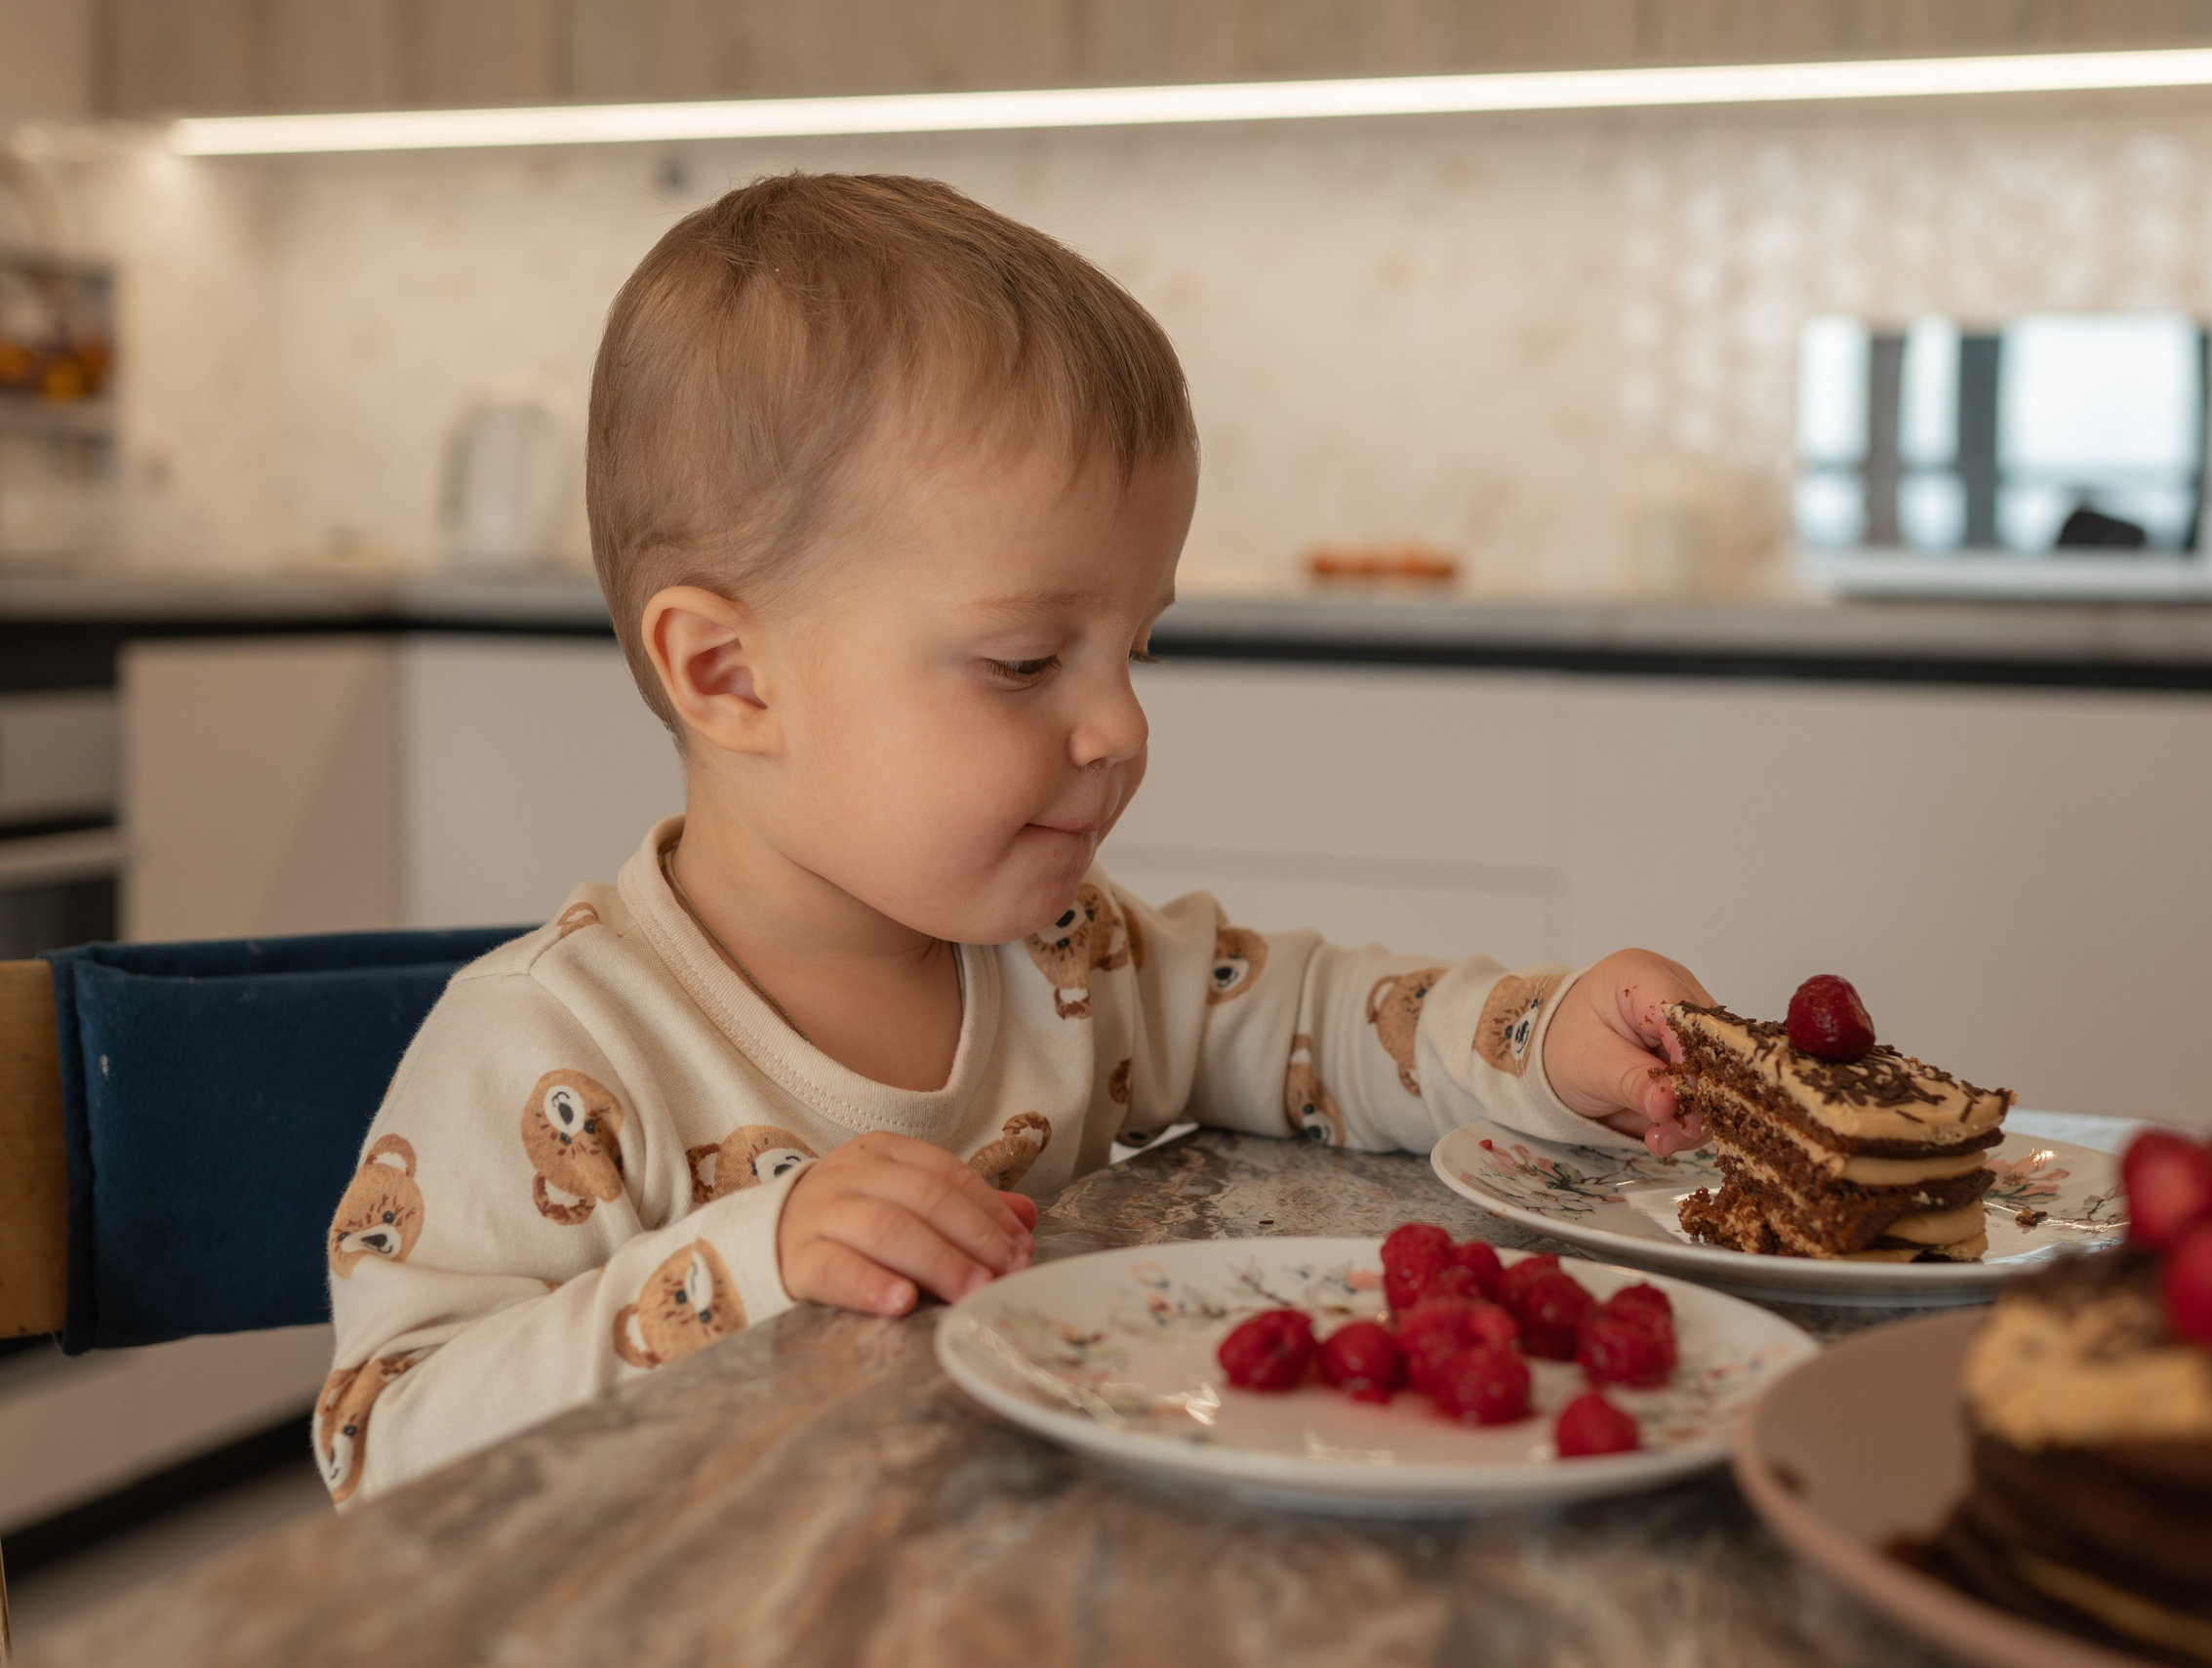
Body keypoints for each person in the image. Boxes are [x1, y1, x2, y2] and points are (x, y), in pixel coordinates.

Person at [315, 172, 1714, 1506]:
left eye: (1137, 646)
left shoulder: (1069, 958)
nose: (1118, 725)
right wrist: (748, 1260)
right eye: (1028, 659)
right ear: (730, 675)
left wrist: (1543, 1039)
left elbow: (1318, 1021)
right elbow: (383, 1443)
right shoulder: (548, 1051)